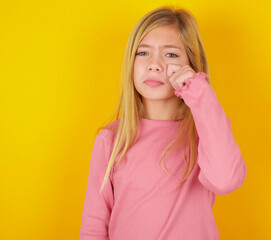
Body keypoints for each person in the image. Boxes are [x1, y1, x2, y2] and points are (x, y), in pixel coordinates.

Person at [80, 5, 247, 240]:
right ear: (131, 62)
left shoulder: (206, 134)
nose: (155, 64)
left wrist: (200, 93)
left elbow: (226, 181)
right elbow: (94, 228)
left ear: (190, 65)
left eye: (170, 54)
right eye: (143, 52)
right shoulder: (110, 140)